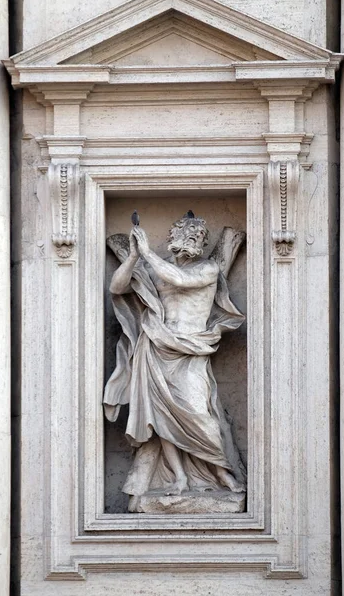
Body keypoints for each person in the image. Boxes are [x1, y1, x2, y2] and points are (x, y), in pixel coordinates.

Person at [104, 214, 246, 501]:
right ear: (174, 238)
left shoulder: (207, 269)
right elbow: (117, 288)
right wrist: (132, 258)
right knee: (162, 416)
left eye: (199, 235)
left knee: (199, 413)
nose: (194, 237)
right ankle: (179, 477)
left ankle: (221, 470)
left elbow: (180, 280)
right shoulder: (155, 270)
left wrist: (146, 254)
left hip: (191, 348)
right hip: (157, 347)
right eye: (188, 232)